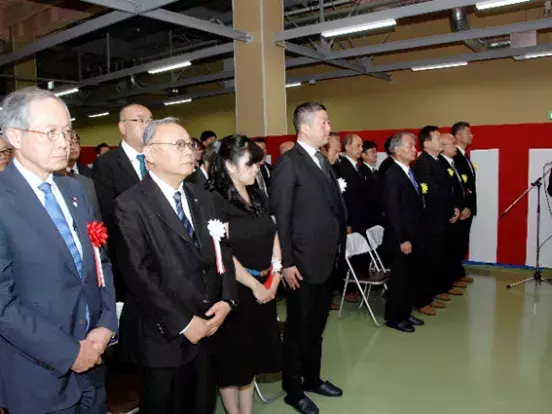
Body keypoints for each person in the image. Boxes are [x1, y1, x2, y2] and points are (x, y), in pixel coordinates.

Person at [0, 87, 117, 413]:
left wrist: (106, 325)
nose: (63, 141)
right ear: (15, 136)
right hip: (37, 374)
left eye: (66, 131)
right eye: (50, 132)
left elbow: (100, 263)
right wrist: (68, 352)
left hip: (94, 362)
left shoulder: (78, 190)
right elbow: (2, 303)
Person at [114, 117, 237, 414]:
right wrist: (183, 322)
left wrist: (227, 299)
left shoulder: (201, 197)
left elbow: (223, 250)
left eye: (190, 144)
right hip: (162, 336)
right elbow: (138, 273)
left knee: (202, 405)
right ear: (151, 154)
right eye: (178, 144)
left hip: (209, 325)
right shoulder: (130, 204)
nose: (189, 151)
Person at [271, 102, 346, 414]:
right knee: (298, 330)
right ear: (306, 127)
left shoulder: (320, 160)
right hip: (301, 264)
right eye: (325, 123)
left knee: (316, 327)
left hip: (326, 261)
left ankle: (313, 378)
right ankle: (293, 388)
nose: (329, 128)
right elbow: (281, 217)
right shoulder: (290, 163)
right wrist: (287, 262)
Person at [207, 135, 282, 414]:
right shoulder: (214, 201)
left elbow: (273, 234)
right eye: (250, 164)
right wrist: (255, 285)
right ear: (228, 164)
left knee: (251, 360)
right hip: (236, 292)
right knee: (232, 365)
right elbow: (223, 254)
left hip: (265, 287)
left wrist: (273, 277)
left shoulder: (258, 195)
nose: (256, 169)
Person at [93, 103, 152, 300]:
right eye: (140, 121)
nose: (147, 126)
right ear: (122, 127)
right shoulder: (107, 164)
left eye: (150, 121)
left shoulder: (158, 159)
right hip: (128, 258)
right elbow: (108, 213)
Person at [413, 126, 460, 316]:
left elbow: (449, 189)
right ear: (426, 143)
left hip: (443, 218)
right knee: (428, 262)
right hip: (432, 221)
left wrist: (454, 208)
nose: (441, 140)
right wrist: (449, 208)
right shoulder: (424, 163)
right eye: (437, 137)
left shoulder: (438, 161)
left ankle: (433, 293)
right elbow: (432, 193)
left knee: (438, 260)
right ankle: (422, 300)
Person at [383, 131, 424, 333]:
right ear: (397, 150)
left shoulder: (408, 170)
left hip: (413, 234)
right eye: (410, 146)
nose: (414, 150)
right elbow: (393, 211)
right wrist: (403, 239)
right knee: (399, 280)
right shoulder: (392, 174)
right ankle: (394, 318)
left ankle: (405, 313)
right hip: (401, 238)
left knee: (410, 278)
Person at [439, 133, 465, 296]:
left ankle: (450, 281)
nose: (455, 146)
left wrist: (461, 207)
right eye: (451, 143)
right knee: (443, 253)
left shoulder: (452, 163)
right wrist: (453, 208)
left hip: (454, 211)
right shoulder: (438, 164)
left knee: (452, 249)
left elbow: (459, 188)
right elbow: (437, 192)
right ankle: (444, 285)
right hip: (443, 215)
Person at [452, 121, 476, 285]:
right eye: (468, 132)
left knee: (462, 242)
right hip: (462, 209)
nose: (471, 135)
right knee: (456, 243)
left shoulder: (464, 156)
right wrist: (463, 207)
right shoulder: (456, 157)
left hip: (468, 208)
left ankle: (458, 272)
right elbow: (456, 186)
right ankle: (453, 276)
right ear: (458, 136)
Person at [333, 134, 366, 235]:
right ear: (347, 147)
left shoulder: (360, 167)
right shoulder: (340, 168)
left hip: (362, 219)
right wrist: (347, 223)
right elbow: (342, 198)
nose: (361, 149)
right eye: (358, 146)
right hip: (351, 221)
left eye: (362, 146)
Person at [359, 141, 385, 228]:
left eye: (376, 151)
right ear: (363, 155)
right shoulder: (361, 172)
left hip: (380, 215)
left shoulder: (377, 173)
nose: (375, 154)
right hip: (369, 217)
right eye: (372, 152)